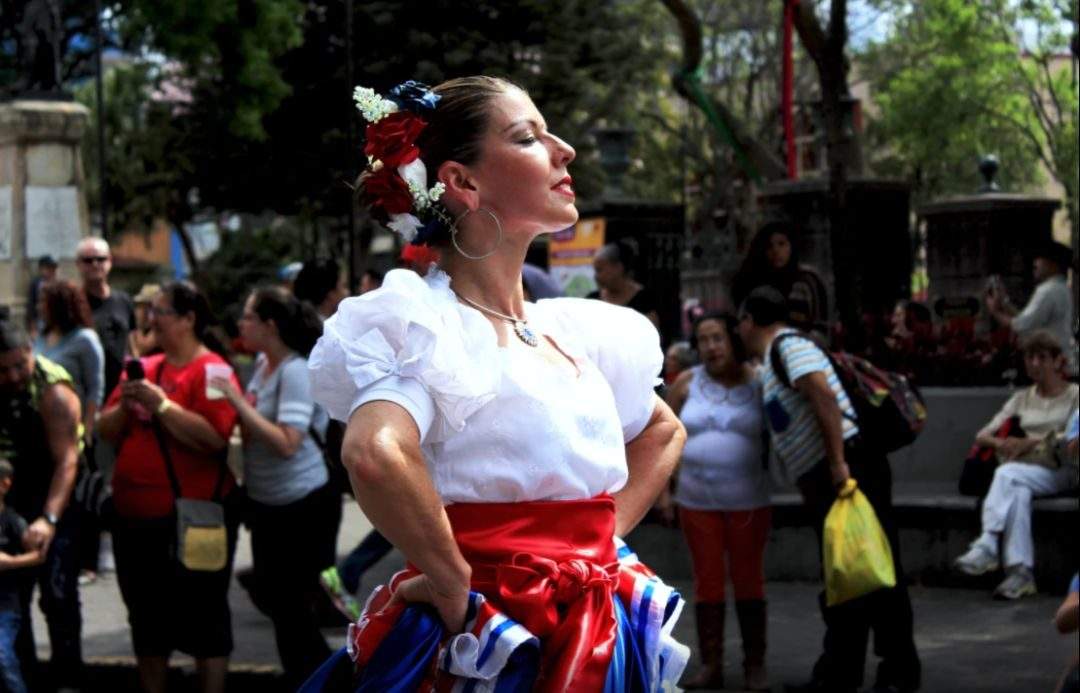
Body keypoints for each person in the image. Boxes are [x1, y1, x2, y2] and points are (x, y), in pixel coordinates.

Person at [302, 76, 688, 690]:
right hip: (494, 640)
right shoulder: (428, 324)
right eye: (529, 137)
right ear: (462, 182)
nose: (565, 150)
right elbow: (375, 451)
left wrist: (596, 546)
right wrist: (454, 581)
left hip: (591, 621)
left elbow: (663, 432)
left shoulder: (572, 328)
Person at [737, 287, 920, 693]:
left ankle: (898, 670)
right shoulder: (772, 359)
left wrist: (838, 464)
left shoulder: (789, 346)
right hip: (827, 477)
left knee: (876, 568)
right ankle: (839, 672)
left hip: (848, 470)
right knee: (844, 574)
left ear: (750, 319)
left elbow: (822, 395)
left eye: (740, 321)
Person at [96, 281, 241, 693]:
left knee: (205, 616)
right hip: (135, 521)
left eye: (159, 311)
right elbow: (102, 430)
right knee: (146, 620)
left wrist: (162, 405)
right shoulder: (143, 367)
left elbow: (214, 438)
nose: (150, 319)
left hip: (192, 521)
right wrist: (127, 406)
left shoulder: (213, 370)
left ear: (188, 319)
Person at [209, 287, 338, 688]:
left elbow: (287, 442)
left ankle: (324, 680)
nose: (241, 325)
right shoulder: (264, 364)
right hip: (266, 504)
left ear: (270, 325)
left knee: (293, 609)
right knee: (283, 606)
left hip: (301, 504)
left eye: (248, 318)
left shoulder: (295, 370)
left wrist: (235, 400)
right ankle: (306, 678)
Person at [667, 312, 770, 690]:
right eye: (703, 340)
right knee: (707, 583)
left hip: (749, 502)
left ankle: (754, 666)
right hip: (696, 501)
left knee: (749, 582)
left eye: (718, 338)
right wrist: (663, 490)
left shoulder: (760, 382)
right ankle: (711, 665)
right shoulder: (686, 384)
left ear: (733, 341)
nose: (711, 347)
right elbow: (661, 436)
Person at [952, 331, 1079, 599]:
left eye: (1042, 357)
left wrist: (1029, 443)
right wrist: (1003, 444)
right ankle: (1020, 573)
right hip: (1028, 470)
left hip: (1064, 469)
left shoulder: (1074, 396)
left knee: (1007, 474)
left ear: (1057, 362)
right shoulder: (1022, 398)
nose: (1034, 363)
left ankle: (988, 541)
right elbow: (983, 434)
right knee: (1017, 491)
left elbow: (1071, 438)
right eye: (1030, 357)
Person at [0, 321, 83, 691]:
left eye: (20, 365)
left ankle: (67, 680)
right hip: (9, 495)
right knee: (12, 597)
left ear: (31, 351)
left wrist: (48, 519)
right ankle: (23, 681)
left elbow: (67, 460)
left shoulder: (54, 391)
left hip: (56, 493)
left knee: (58, 593)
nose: (14, 375)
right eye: (3, 369)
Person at [985, 241, 1077, 376]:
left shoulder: (1048, 291)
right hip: (1059, 364)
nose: (1035, 263)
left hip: (1050, 367)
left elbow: (1021, 325)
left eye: (1040, 259)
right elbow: (1028, 319)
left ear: (1053, 265)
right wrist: (1004, 302)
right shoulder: (1061, 288)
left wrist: (994, 311)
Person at [33, 280, 105, 450]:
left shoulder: (85, 339)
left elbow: (95, 388)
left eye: (44, 302)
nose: (39, 307)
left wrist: (87, 429)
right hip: (42, 424)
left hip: (72, 426)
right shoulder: (42, 335)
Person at [732, 221, 829, 335]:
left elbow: (820, 325)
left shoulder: (807, 280)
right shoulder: (756, 284)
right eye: (769, 246)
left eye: (782, 244)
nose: (776, 251)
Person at [0, 459, 46, 693]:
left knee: (3, 657)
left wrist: (9, 562)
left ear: (4, 485)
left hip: (5, 605)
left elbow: (38, 556)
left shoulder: (12, 521)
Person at [75, 237, 135, 398]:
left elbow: (132, 344)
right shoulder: (72, 304)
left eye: (100, 259)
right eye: (88, 260)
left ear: (110, 261)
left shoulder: (124, 300)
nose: (95, 264)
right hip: (85, 391)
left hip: (120, 391)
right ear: (78, 265)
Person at [588, 239, 661, 328]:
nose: (596, 276)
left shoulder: (645, 300)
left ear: (618, 267)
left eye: (599, 270)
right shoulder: (592, 300)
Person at [25, 255, 58, 338]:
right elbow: (31, 305)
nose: (51, 271)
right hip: (40, 321)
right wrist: (32, 327)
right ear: (41, 269)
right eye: (48, 268)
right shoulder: (36, 284)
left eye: (53, 268)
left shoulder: (58, 283)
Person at [128, 284, 162, 357]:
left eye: (142, 306)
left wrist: (138, 323)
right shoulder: (145, 327)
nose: (139, 309)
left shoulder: (161, 325)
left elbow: (141, 349)